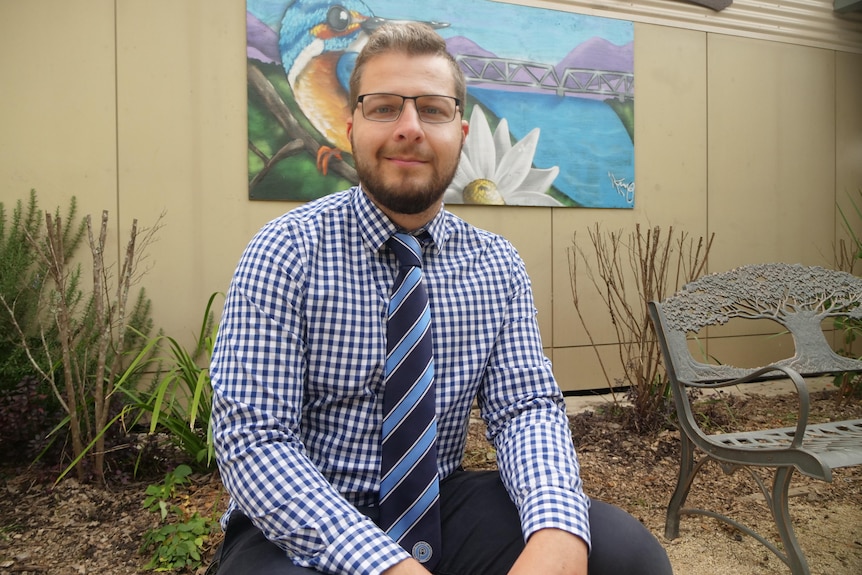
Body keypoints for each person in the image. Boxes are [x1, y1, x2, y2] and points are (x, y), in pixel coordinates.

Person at [210, 21, 673, 575]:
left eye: (432, 109)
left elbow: (525, 408)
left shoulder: (495, 265)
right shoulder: (286, 251)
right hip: (302, 516)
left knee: (627, 556)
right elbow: (255, 439)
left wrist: (558, 533)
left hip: (437, 500)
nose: (410, 128)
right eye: (385, 108)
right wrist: (386, 565)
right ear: (350, 126)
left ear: (463, 130)